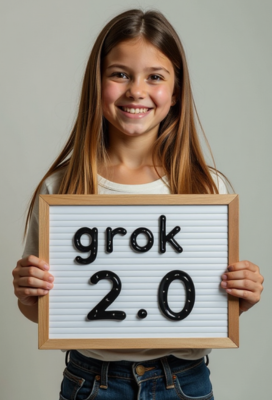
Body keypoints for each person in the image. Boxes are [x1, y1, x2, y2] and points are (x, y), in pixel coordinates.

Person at [12, 9, 264, 400]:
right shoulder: (61, 189)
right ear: (98, 84)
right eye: (120, 74)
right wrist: (29, 296)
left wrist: (239, 296)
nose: (136, 90)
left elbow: (210, 300)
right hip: (91, 381)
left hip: (183, 380)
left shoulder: (206, 188)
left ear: (176, 91)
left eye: (155, 77)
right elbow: (43, 310)